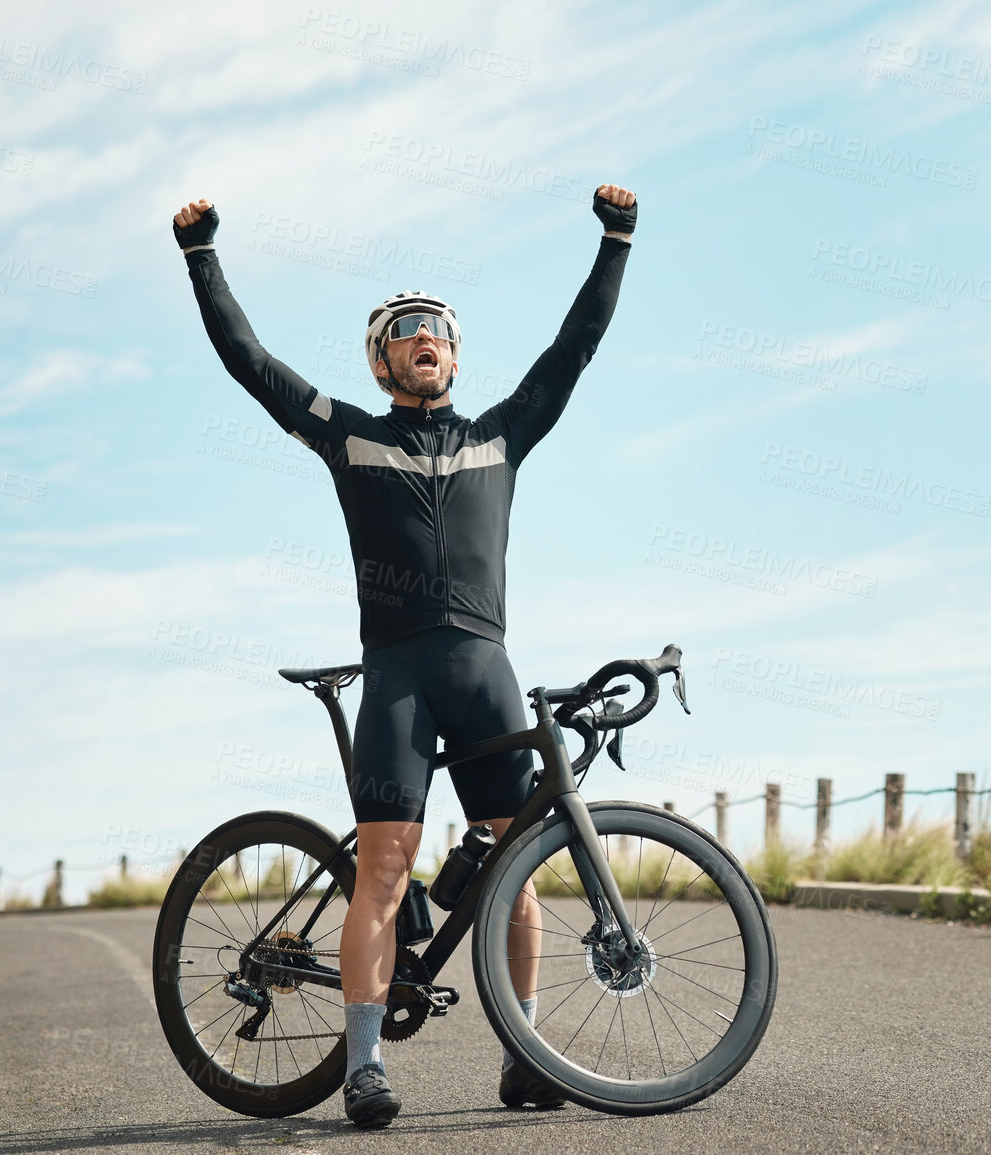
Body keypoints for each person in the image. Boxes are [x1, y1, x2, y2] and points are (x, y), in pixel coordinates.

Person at [172, 185, 636, 1127]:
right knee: (386, 867)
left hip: (482, 665)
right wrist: (202, 257)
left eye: (438, 330)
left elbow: (574, 347)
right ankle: (366, 1064)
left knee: (515, 862)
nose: (425, 337)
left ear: (453, 355)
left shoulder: (501, 435)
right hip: (397, 674)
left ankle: (527, 1052)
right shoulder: (350, 437)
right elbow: (252, 366)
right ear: (383, 360)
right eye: (405, 329)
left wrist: (615, 241)